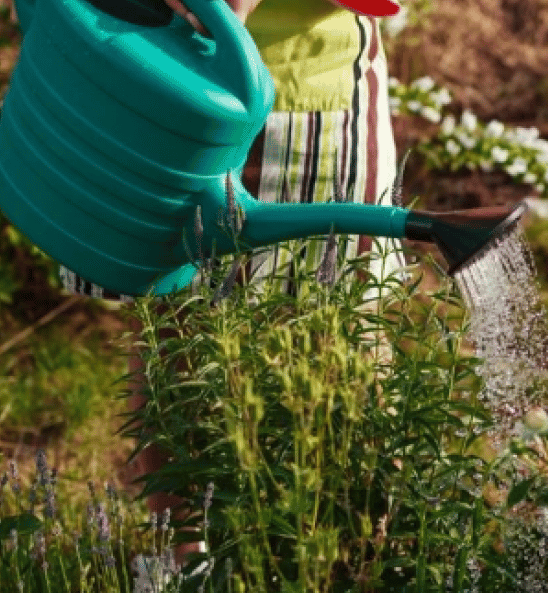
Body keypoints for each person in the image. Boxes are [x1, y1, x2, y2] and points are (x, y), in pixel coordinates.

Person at [71, 0, 405, 563]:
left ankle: (358, 570)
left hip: (313, 101)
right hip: (153, 81)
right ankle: (182, 567)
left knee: (343, 336)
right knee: (172, 333)